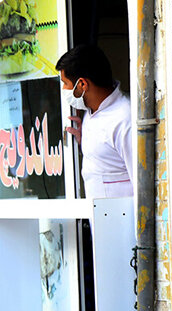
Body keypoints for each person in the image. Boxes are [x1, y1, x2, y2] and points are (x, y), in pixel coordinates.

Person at [57, 44, 133, 199]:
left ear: (82, 84)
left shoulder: (124, 118)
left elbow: (141, 181)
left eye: (65, 83)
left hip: (123, 220)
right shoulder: (90, 111)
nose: (63, 89)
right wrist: (83, 142)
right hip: (100, 218)